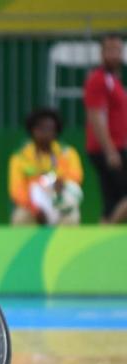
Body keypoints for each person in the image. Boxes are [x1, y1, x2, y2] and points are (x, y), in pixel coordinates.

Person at [9, 108, 83, 225]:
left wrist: (61, 185)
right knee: (20, 217)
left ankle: (66, 244)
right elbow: (17, 189)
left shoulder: (68, 153)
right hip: (32, 207)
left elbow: (75, 177)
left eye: (50, 129)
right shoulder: (20, 156)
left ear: (56, 131)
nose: (45, 133)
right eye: (40, 128)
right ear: (32, 130)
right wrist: (35, 209)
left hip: (60, 202)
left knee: (72, 216)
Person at [84, 34, 127, 223]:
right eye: (110, 50)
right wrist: (110, 151)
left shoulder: (113, 80)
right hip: (107, 149)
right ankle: (105, 234)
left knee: (113, 201)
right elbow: (96, 117)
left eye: (118, 50)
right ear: (101, 53)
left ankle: (104, 237)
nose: (114, 54)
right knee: (116, 199)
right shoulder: (98, 79)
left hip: (117, 147)